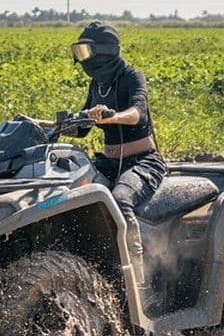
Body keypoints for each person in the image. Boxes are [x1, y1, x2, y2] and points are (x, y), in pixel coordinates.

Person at [30, 21, 167, 303]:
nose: (82, 58)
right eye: (78, 52)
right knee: (69, 196)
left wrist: (111, 116)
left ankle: (138, 284)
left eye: (85, 50)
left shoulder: (131, 77)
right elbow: (80, 127)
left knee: (120, 199)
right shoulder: (97, 84)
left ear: (103, 51)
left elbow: (136, 113)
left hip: (143, 162)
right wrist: (38, 124)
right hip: (107, 162)